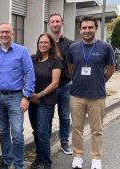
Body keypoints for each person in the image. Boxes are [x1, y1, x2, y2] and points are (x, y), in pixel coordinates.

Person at [67, 15, 115, 169]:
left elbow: (111, 69)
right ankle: (78, 156)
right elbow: (70, 69)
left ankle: (96, 159)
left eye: (90, 27)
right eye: (84, 28)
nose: (87, 30)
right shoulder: (73, 48)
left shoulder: (106, 47)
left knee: (97, 130)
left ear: (96, 28)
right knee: (77, 129)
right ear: (80, 30)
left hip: (97, 96)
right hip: (76, 95)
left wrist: (100, 81)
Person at [0, 22, 35, 169]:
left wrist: (26, 97)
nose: (4, 35)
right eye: (2, 32)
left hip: (15, 98)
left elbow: (30, 75)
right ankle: (7, 160)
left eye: (7, 32)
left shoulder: (22, 51)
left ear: (12, 34)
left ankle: (18, 164)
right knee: (3, 132)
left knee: (18, 134)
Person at [28, 33, 63, 169]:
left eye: (45, 42)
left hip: (46, 101)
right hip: (32, 100)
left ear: (51, 45)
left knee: (43, 131)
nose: (42, 44)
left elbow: (55, 83)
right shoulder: (33, 59)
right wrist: (31, 95)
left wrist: (40, 95)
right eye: (40, 42)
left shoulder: (55, 61)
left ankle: (47, 161)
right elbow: (26, 75)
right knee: (36, 130)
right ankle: (39, 158)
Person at [48, 13, 74, 155]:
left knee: (64, 116)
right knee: (48, 116)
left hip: (65, 86)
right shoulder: (45, 42)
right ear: (49, 24)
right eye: (53, 22)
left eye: (58, 21)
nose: (55, 24)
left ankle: (64, 142)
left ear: (62, 23)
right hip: (50, 87)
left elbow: (74, 65)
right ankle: (46, 143)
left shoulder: (70, 44)